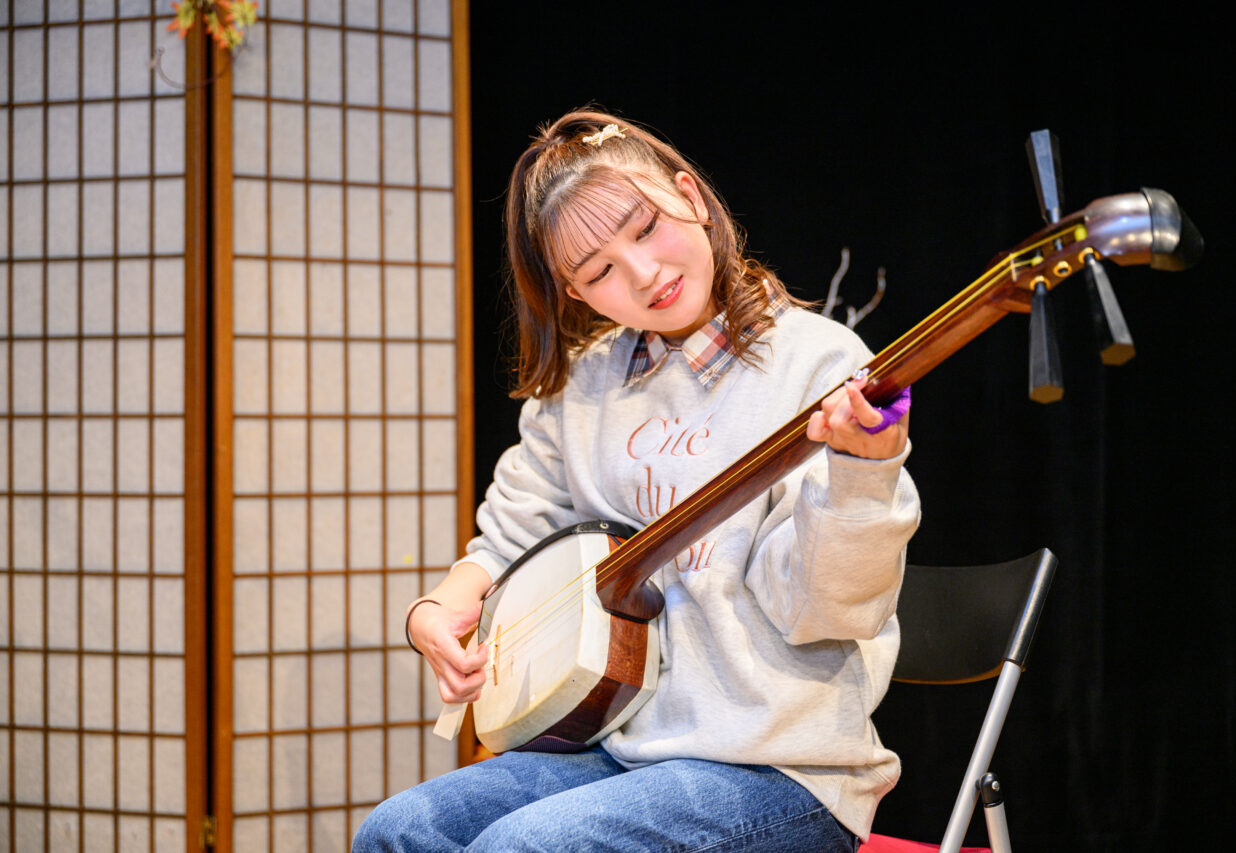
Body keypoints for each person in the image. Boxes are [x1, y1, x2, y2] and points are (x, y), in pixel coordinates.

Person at [353, 109, 919, 852]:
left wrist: (863, 472)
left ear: (691, 196)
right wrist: (436, 611)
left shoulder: (817, 364)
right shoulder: (582, 387)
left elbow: (826, 610)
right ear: (576, 295)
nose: (644, 273)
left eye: (646, 228)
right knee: (397, 832)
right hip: (616, 743)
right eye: (600, 272)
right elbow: (509, 539)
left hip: (781, 767)